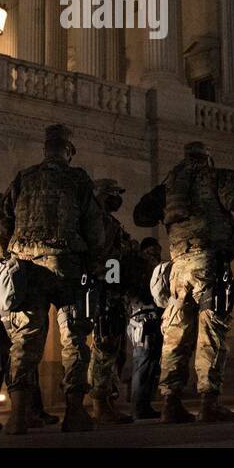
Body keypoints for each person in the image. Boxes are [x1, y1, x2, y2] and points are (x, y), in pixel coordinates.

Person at [0, 123, 106, 434]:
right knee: (74, 339)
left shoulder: (24, 178)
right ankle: (74, 412)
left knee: (25, 339)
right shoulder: (77, 178)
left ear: (46, 150)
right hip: (67, 266)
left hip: (26, 267)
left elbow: (2, 225)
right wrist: (96, 263)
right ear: (68, 151)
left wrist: (4, 263)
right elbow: (95, 227)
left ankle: (18, 416)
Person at [135, 141, 234, 423]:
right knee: (212, 331)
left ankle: (170, 402)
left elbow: (140, 216)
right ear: (207, 159)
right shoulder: (216, 176)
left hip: (178, 267)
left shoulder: (170, 186)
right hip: (208, 263)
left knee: (175, 334)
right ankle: (208, 402)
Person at [87, 178, 136, 424]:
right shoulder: (96, 221)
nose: (119, 198)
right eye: (115, 193)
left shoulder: (108, 221)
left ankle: (105, 401)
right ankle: (100, 404)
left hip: (112, 290)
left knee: (110, 348)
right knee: (104, 346)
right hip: (104, 290)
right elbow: (103, 259)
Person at [126, 236, 164, 419]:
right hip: (143, 319)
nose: (156, 254)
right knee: (143, 363)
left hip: (147, 319)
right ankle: (139, 407)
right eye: (154, 250)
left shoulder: (146, 265)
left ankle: (144, 405)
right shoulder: (142, 265)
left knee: (150, 365)